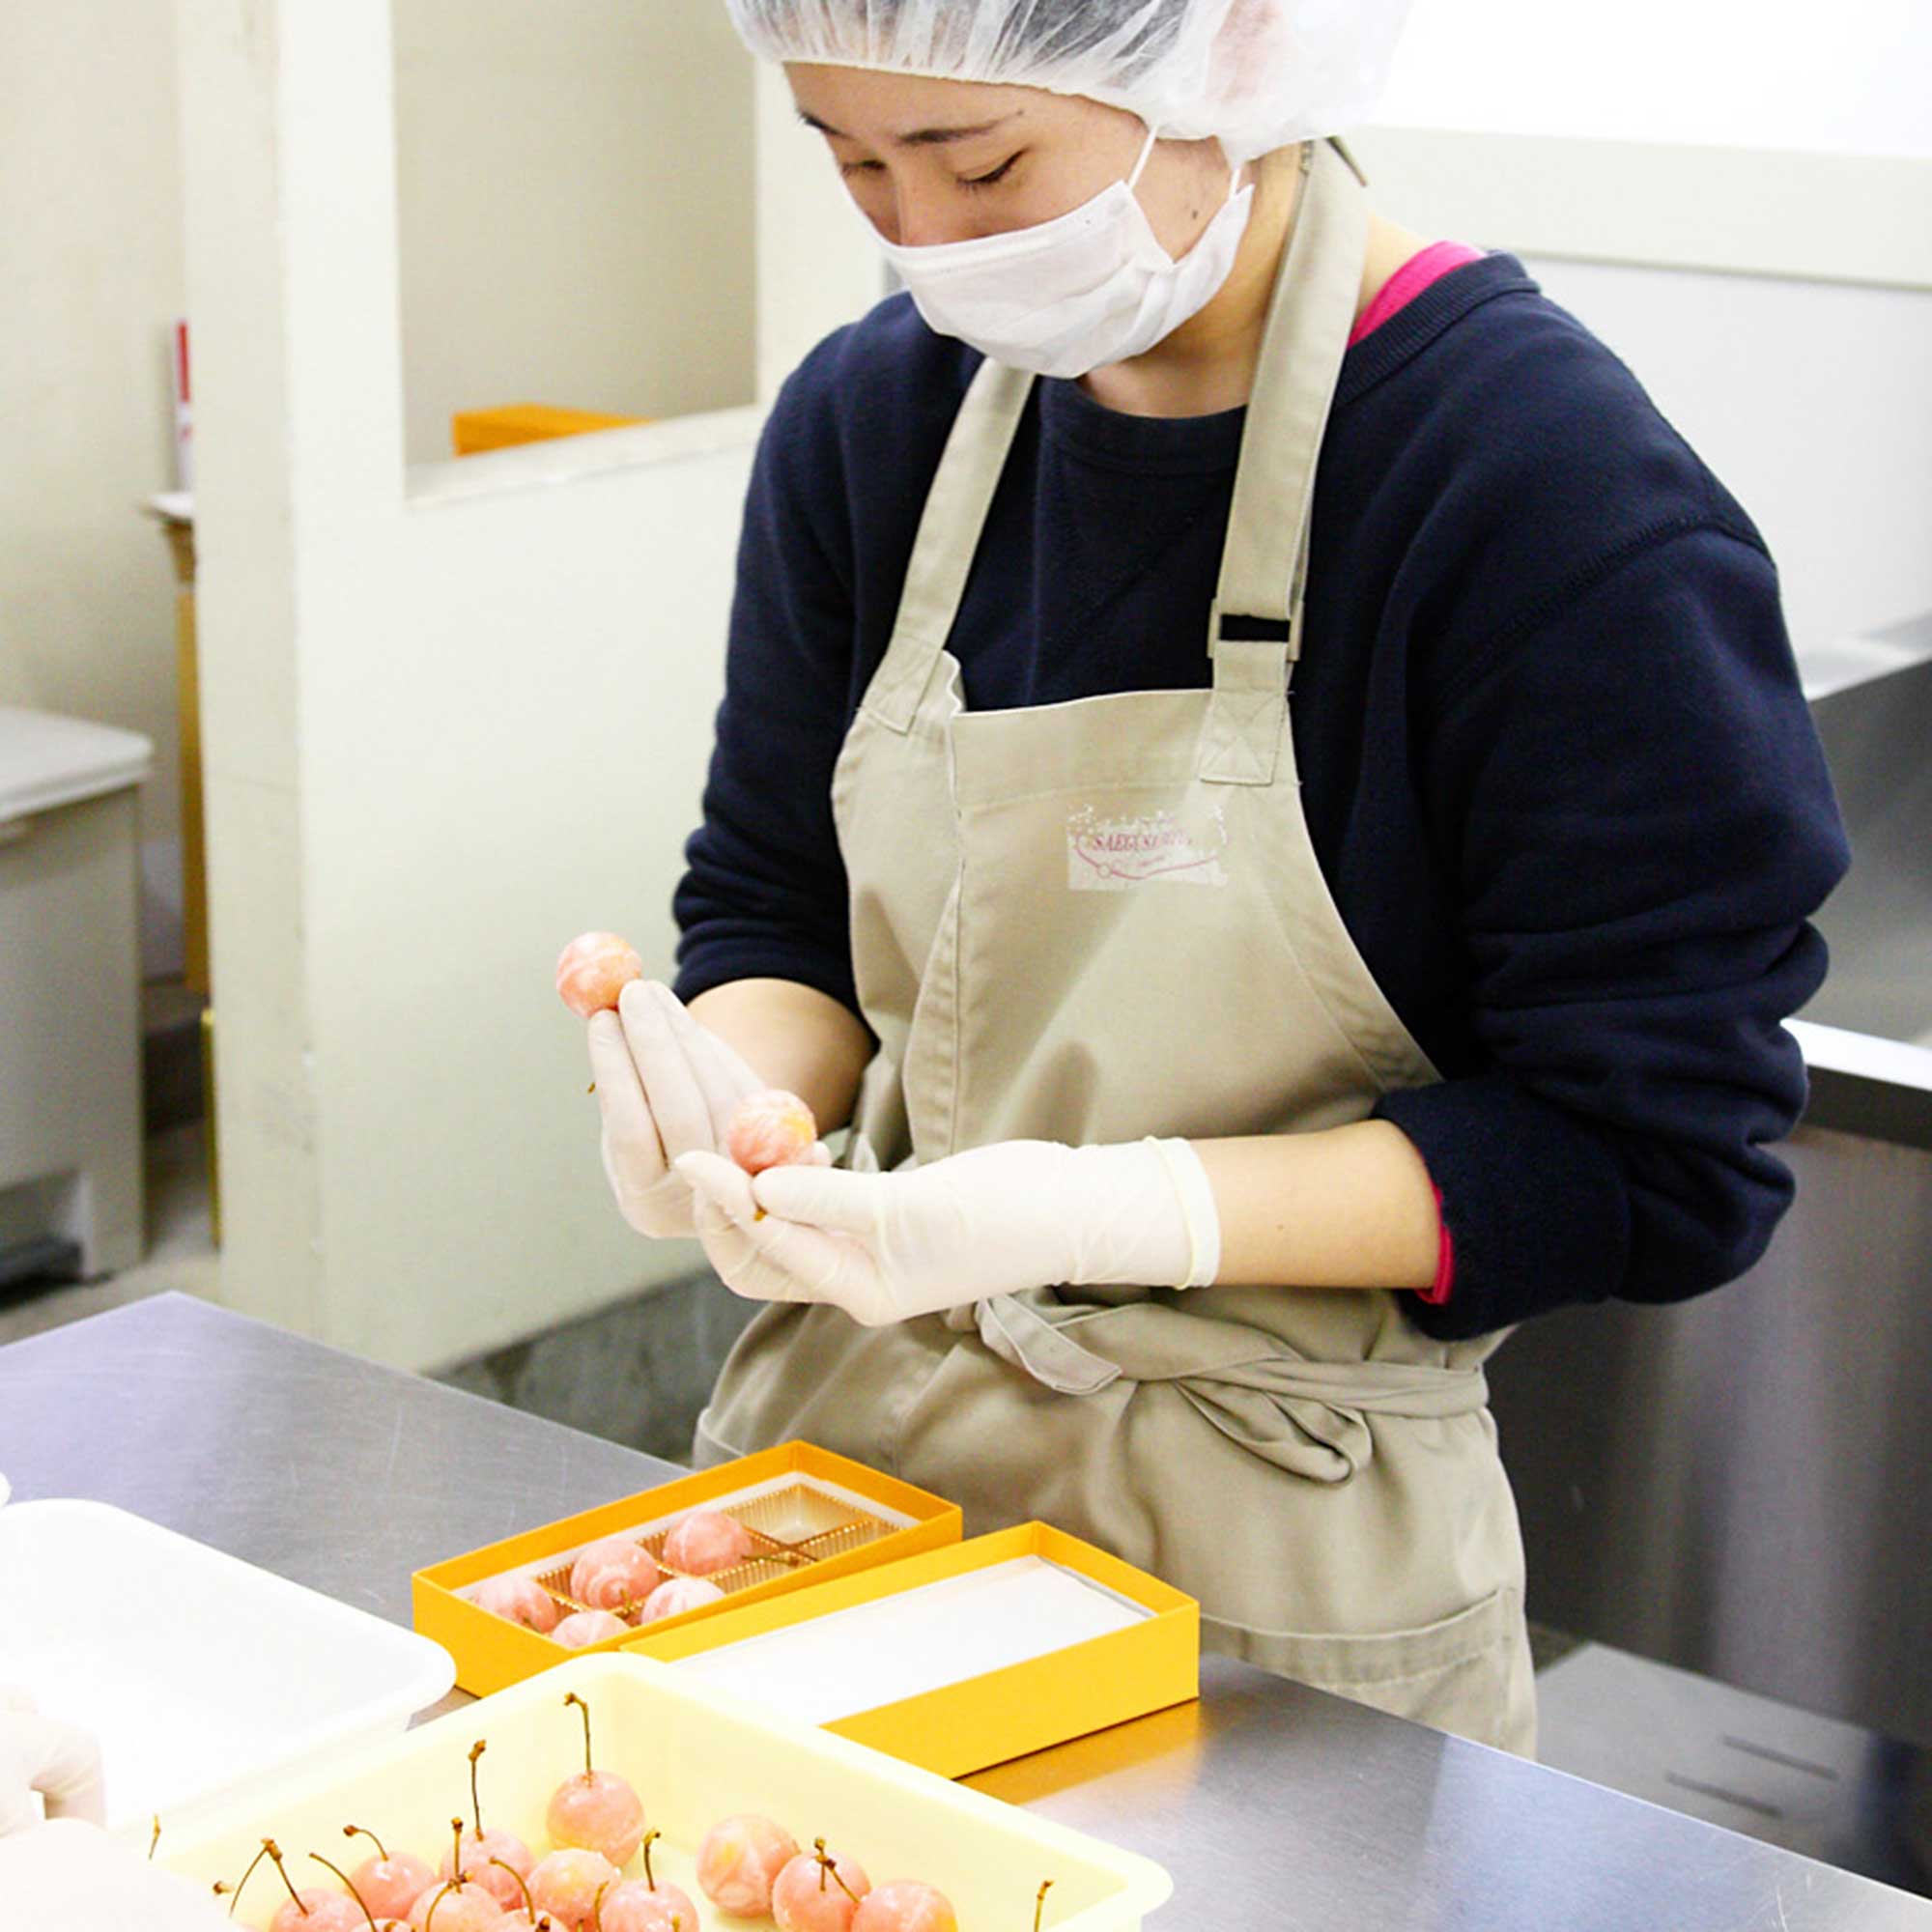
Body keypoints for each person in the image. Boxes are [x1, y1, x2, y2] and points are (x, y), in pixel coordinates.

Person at [584, 0, 1848, 1754]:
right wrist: (730, 1099)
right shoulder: (870, 427)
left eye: (983, 163)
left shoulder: (1539, 490)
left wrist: (1110, 1213)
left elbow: (1650, 1153)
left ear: (1233, 60)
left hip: (1281, 1585)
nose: (924, 242)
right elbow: (777, 907)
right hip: (850, 1492)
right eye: (856, 162)